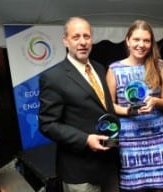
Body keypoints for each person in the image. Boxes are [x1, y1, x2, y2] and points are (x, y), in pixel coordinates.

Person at [39, 17, 119, 192]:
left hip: (109, 165)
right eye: (76, 37)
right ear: (65, 40)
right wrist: (85, 139)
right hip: (80, 171)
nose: (83, 42)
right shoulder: (54, 77)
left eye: (87, 36)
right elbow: (47, 124)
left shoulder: (99, 68)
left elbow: (105, 108)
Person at [106, 20, 163, 192]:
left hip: (157, 135)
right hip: (129, 138)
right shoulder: (114, 69)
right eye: (136, 39)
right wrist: (127, 110)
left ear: (151, 43)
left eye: (146, 40)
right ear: (127, 40)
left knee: (162, 187)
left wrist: (156, 101)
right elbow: (108, 105)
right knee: (134, 188)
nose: (141, 45)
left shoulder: (159, 65)